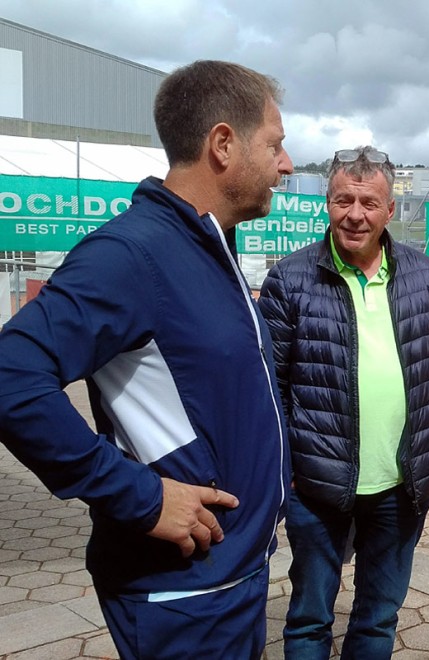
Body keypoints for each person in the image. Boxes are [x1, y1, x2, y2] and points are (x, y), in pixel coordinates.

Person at [0, 60, 294, 658]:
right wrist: (142, 496)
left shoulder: (210, 246)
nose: (286, 165)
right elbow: (10, 376)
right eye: (275, 145)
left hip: (230, 580)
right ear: (222, 144)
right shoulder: (132, 253)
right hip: (183, 595)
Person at [259, 145, 429, 659]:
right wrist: (292, 473)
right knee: (308, 619)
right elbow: (270, 389)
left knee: (377, 618)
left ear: (390, 210)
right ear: (326, 203)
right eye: (343, 200)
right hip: (316, 486)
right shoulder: (289, 280)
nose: (355, 214)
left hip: (402, 485)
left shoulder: (425, 276)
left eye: (369, 203)